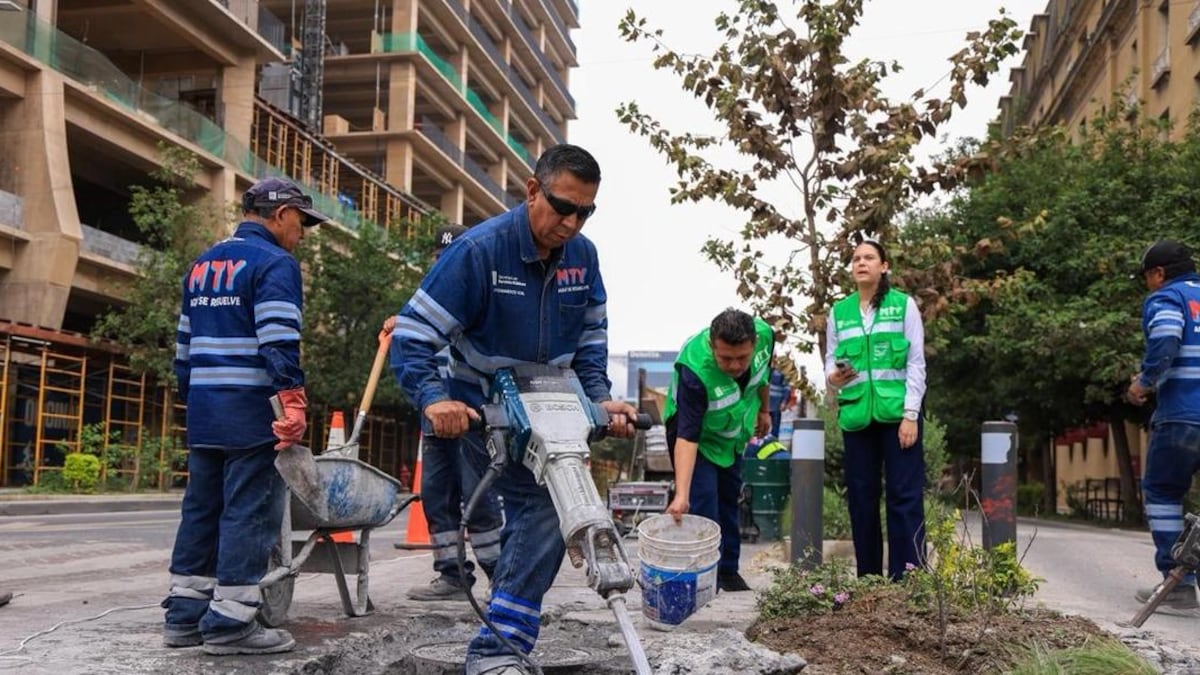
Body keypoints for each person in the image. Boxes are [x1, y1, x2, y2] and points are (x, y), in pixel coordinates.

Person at [392, 144, 637, 675]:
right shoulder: (479, 252)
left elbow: (592, 341)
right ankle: (496, 650)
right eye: (563, 206)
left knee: (550, 518)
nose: (572, 222)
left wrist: (599, 401)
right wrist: (436, 400)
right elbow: (411, 334)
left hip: (552, 410)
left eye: (586, 212)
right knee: (543, 514)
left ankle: (499, 639)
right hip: (487, 410)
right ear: (532, 190)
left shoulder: (584, 258)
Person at [162, 177, 327, 655]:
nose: (303, 232)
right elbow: (278, 339)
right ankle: (232, 623)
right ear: (279, 215)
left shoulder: (202, 264)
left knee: (201, 508)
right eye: (301, 221)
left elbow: (183, 349)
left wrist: (194, 403)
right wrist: (291, 400)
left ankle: (185, 614)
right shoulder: (275, 262)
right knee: (248, 512)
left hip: (206, 410)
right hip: (253, 410)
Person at [383, 223, 504, 601]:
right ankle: (452, 574)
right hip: (434, 417)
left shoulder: (478, 296)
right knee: (436, 495)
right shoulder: (427, 301)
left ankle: (501, 576)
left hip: (471, 414)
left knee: (479, 496)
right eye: (440, 258)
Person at [825, 239, 926, 581]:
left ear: (884, 266)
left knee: (904, 497)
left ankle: (909, 577)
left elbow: (916, 364)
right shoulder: (839, 312)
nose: (861, 263)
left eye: (869, 258)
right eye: (856, 259)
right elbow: (830, 361)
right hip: (857, 419)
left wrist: (911, 414)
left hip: (898, 417)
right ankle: (868, 578)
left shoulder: (903, 306)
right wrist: (834, 377)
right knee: (861, 499)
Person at [664, 308, 775, 593]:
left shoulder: (765, 336)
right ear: (713, 346)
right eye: (725, 358)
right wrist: (681, 495)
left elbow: (763, 375)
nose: (736, 365)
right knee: (703, 503)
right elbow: (688, 437)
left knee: (729, 498)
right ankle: (704, 577)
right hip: (694, 436)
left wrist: (765, 410)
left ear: (753, 344)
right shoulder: (695, 371)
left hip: (731, 433)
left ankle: (728, 570)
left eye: (742, 358)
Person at [1128, 240, 1200, 613]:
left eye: (1147, 277)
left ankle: (1179, 581)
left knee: (1162, 490)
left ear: (1158, 273)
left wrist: (1144, 382)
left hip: (1184, 416)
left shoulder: (1167, 299)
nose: (1147, 284)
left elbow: (1167, 338)